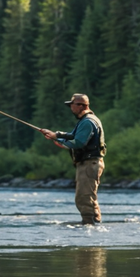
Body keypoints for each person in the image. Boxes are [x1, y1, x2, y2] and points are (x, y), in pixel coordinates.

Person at [41, 94, 106, 224]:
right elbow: (72, 136)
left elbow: (78, 143)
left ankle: (90, 225)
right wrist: (56, 135)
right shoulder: (86, 120)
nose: (71, 107)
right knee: (85, 196)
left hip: (90, 163)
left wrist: (60, 141)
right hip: (88, 163)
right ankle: (93, 223)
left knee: (84, 197)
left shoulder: (88, 121)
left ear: (82, 106)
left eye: (73, 105)